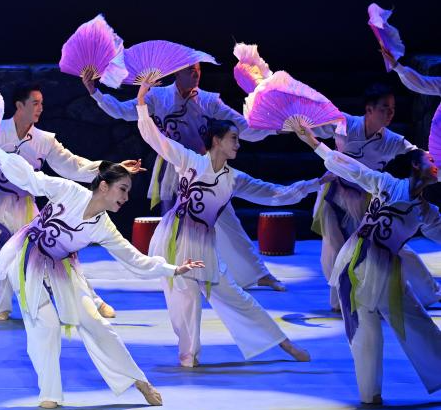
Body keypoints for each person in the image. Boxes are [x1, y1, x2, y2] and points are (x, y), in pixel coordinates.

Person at [0, 124, 202, 408]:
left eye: (127, 192)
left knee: (95, 322)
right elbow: (30, 178)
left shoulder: (104, 227)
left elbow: (134, 259)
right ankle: (49, 394)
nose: (125, 198)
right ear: (103, 186)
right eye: (122, 189)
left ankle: (139, 381)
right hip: (27, 259)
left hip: (62, 267)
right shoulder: (68, 191)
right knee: (45, 325)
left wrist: (172, 269)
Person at [0, 82, 137, 319]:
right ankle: (3, 305)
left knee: (52, 255)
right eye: (35, 103)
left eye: (42, 103)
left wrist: (115, 169)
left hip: (25, 204)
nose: (40, 108)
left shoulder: (44, 140)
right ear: (19, 105)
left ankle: (93, 300)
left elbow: (73, 165)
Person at [134, 81, 316, 367]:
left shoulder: (233, 178)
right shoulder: (189, 161)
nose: (238, 144)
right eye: (233, 138)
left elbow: (274, 193)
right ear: (217, 141)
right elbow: (155, 139)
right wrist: (142, 102)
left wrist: (315, 184)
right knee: (186, 301)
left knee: (236, 296)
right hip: (174, 241)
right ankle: (188, 356)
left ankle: (285, 344)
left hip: (204, 247)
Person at [84, 63, 286, 291]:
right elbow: (122, 111)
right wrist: (94, 91)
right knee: (175, 227)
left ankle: (258, 273)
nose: (195, 74)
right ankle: (176, 275)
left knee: (228, 222)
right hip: (174, 169)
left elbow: (241, 127)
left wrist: (274, 126)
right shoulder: (157, 96)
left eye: (198, 70)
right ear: (177, 72)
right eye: (189, 70)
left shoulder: (208, 100)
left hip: (204, 168)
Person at [295, 121, 441, 404]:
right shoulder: (387, 184)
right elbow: (350, 168)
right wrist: (313, 142)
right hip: (357, 264)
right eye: (431, 159)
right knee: (366, 331)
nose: (436, 164)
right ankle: (369, 394)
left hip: (386, 270)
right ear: (415, 165)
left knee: (417, 322)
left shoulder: (427, 212)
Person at [311, 84, 438, 310]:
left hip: (366, 197)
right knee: (335, 247)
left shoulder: (393, 140)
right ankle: (340, 299)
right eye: (384, 108)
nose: (390, 113)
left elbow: (420, 155)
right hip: (335, 193)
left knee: (393, 244)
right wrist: (298, 127)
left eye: (393, 109)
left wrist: (434, 159)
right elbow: (315, 127)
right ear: (369, 109)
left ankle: (431, 293)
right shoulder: (346, 124)